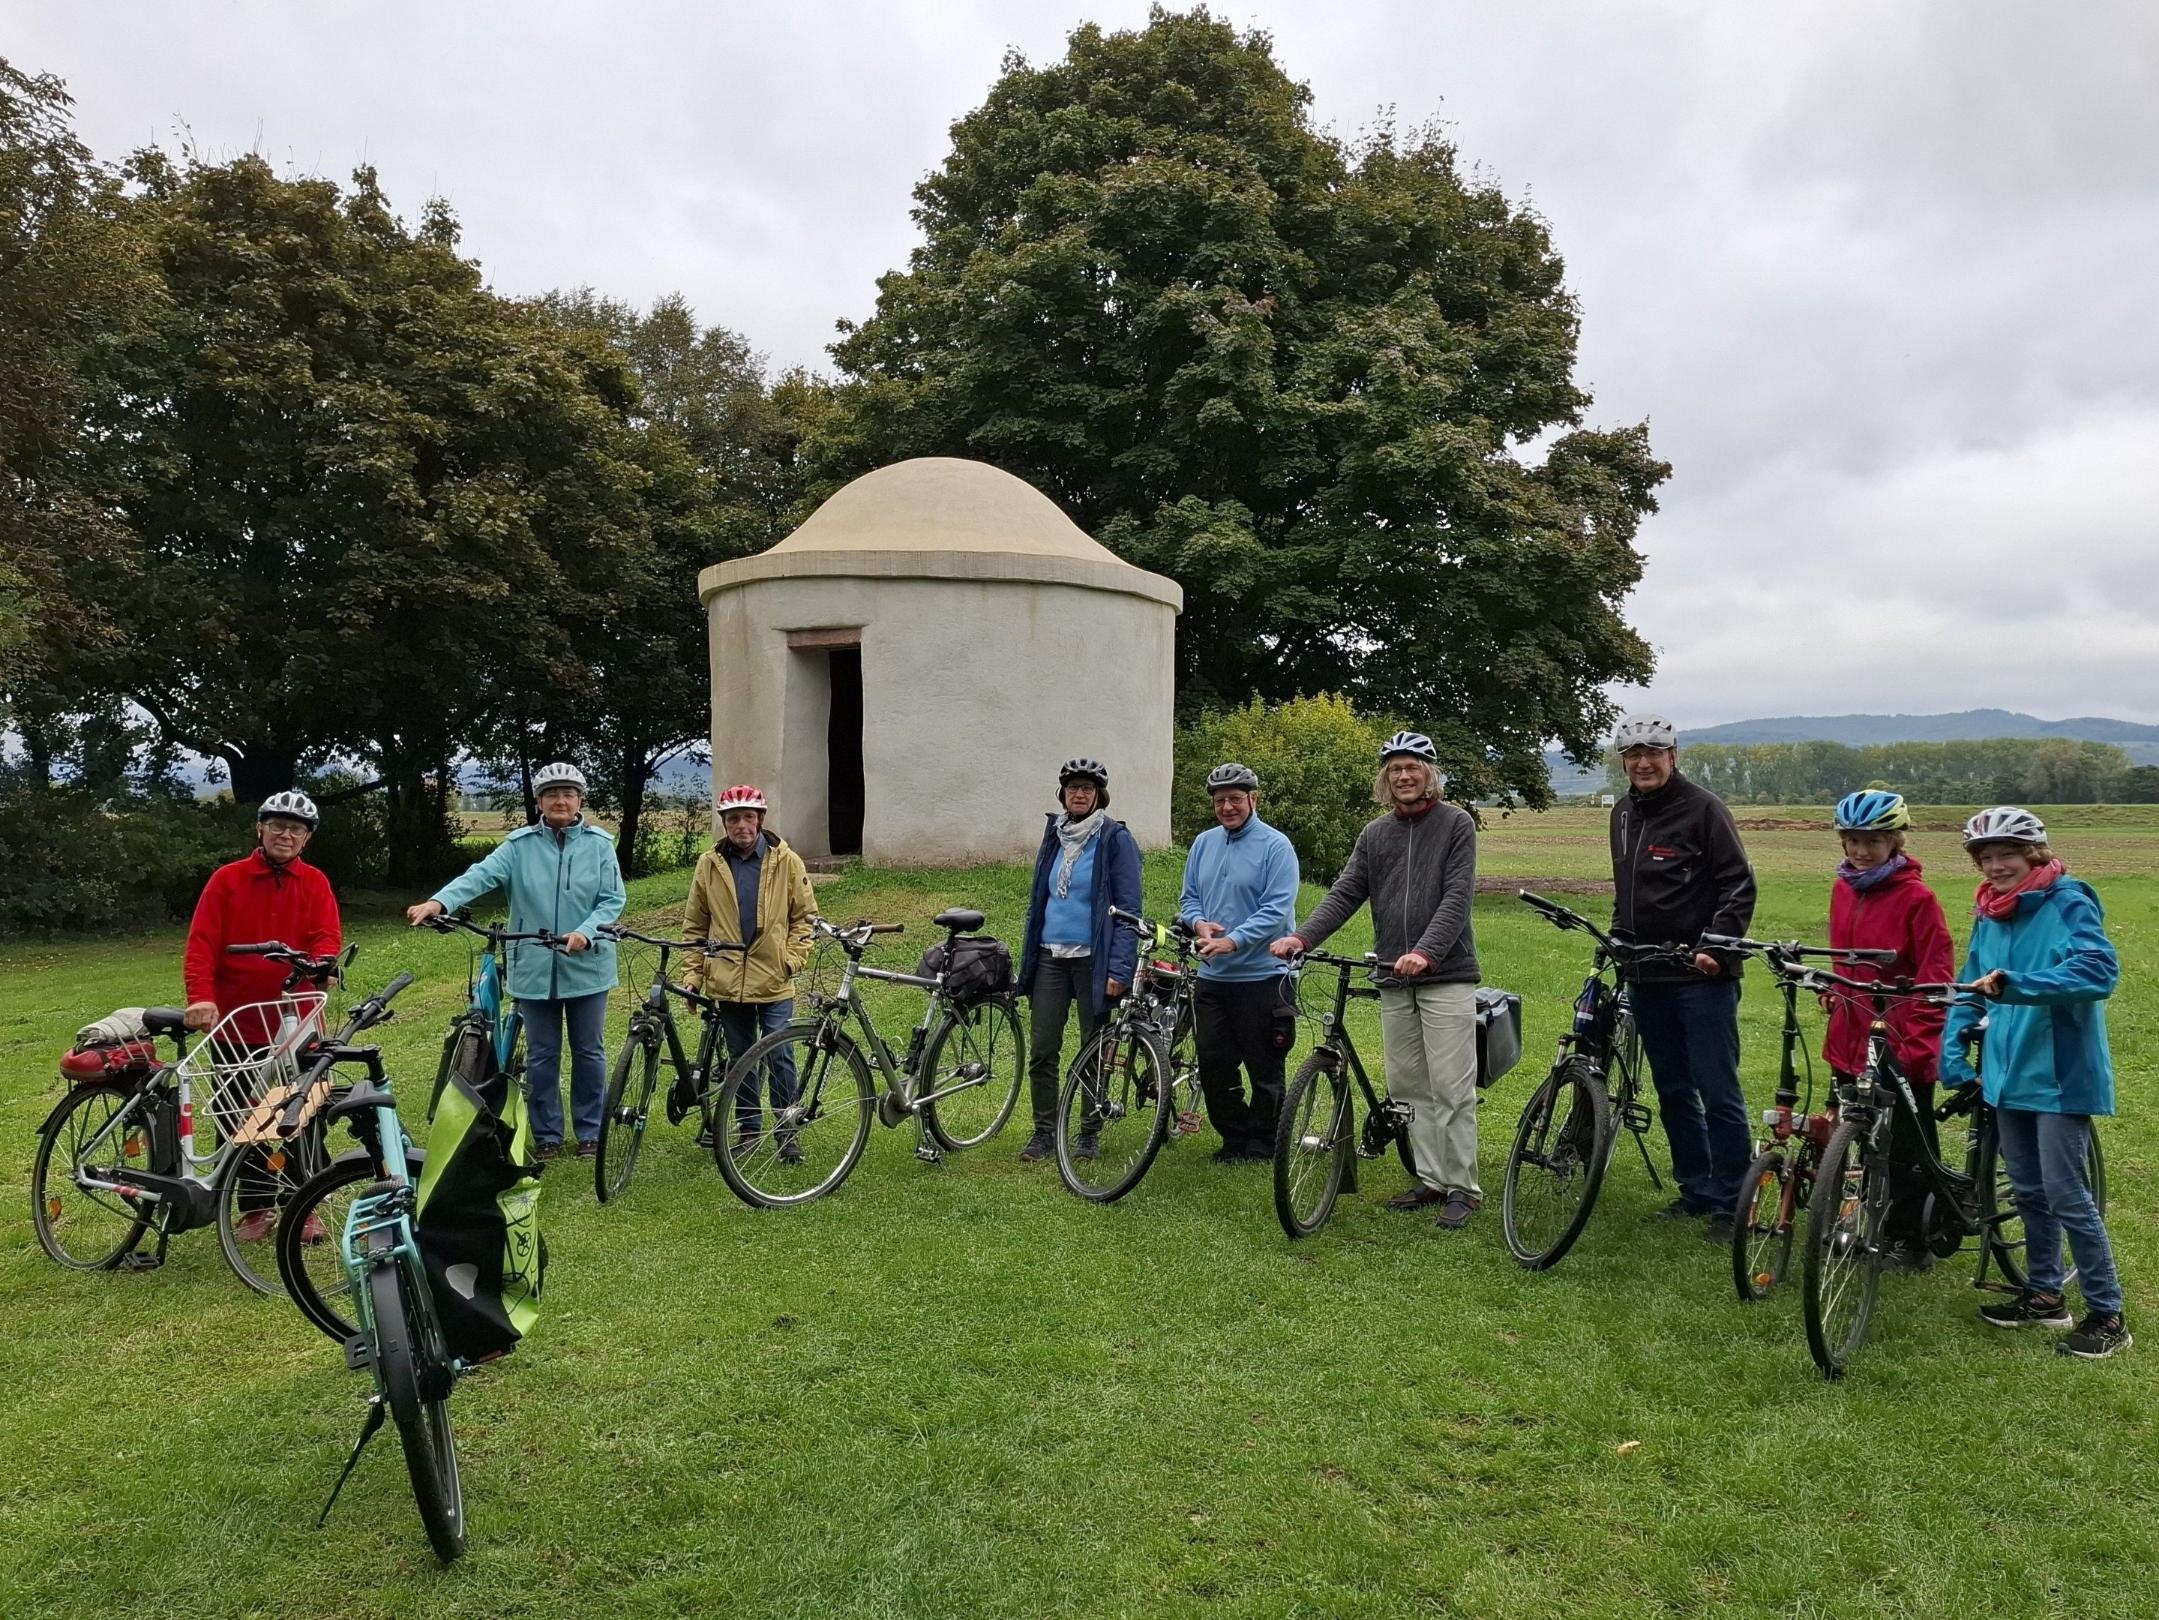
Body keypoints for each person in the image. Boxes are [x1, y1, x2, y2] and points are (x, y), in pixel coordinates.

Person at [1272, 732, 1482, 1227]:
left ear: (1429, 774)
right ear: (1385, 779)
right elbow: (1346, 893)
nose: (1403, 776)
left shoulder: (1456, 824)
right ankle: (1431, 1179)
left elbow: (1457, 896)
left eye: (1412, 767)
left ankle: (1463, 1188)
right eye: (1394, 769)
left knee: (1451, 1086)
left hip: (1446, 974)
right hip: (1392, 974)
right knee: (1408, 1086)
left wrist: (1427, 953)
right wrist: (1302, 938)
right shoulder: (1376, 834)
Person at [1942, 807, 2130, 1358]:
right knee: (2027, 1192)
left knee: (2067, 1193)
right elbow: (1971, 982)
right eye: (1985, 857)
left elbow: (2099, 971)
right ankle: (2046, 1296)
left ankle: (2108, 1313)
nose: (1996, 866)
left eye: (2006, 855)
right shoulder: (1989, 912)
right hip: (2006, 1074)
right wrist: (1953, 1045)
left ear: (2034, 854)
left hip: (2059, 1074)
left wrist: (2016, 984)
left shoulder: (2069, 898)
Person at [407, 762, 626, 1160]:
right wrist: (440, 901)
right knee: (542, 1055)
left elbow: (612, 900)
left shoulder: (599, 845)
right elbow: (480, 875)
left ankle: (591, 1133)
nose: (560, 801)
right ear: (540, 801)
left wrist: (586, 931)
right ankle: (548, 1136)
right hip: (534, 966)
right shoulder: (519, 845)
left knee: (589, 1051)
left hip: (587, 965)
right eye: (552, 794)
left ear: (580, 800)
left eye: (568, 794)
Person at [1608, 713, 1758, 1244]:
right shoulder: (1623, 813)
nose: (1643, 763)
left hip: (1701, 977)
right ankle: (1695, 1188)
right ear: (1623, 761)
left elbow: (1738, 883)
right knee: (1672, 1088)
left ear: (1674, 756)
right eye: (1633, 755)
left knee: (1717, 1089)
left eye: (1654, 752)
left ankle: (1732, 1199)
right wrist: (1616, 937)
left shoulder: (1704, 809)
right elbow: (1628, 888)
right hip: (1647, 975)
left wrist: (1716, 945)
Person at [183, 789, 343, 1242]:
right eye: (277, 826)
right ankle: (254, 1209)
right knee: (239, 1116)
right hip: (239, 1018)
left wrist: (324, 962)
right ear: (260, 828)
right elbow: (202, 944)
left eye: (296, 829)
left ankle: (303, 1205)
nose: (285, 835)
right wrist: (201, 997)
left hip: (296, 1019)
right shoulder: (227, 880)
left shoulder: (314, 882)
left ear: (307, 838)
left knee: (303, 1112)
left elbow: (326, 935)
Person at [1821, 790, 1956, 1270]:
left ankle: (1911, 1237)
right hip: (1850, 1033)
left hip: (1898, 1039)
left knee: (1904, 1146)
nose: (1860, 850)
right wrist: (1832, 992)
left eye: (1872, 841)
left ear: (1894, 841)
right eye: (1853, 840)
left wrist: (1917, 1041)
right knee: (1853, 1135)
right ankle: (1854, 1219)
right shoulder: (1844, 887)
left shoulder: (1917, 897)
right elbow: (1842, 955)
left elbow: (1935, 975)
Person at [1014, 758, 1144, 1162]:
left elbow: (1128, 911)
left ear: (1099, 795)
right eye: (1073, 787)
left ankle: (1089, 1131)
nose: (1080, 793)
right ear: (1063, 794)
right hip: (1051, 957)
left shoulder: (1114, 839)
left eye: (1087, 788)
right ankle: (1044, 1133)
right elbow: (1040, 901)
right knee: (1043, 1050)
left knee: (1093, 1050)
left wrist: (1120, 969)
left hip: (1094, 962)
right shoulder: (1053, 835)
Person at [680, 784, 818, 1158]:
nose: (742, 825)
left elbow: (804, 918)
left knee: (780, 1056)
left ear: (760, 820)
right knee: (741, 1059)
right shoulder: (709, 865)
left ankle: (787, 1133)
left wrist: (792, 959)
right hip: (727, 980)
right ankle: (749, 1130)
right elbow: (695, 926)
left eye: (748, 817)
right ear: (724, 823)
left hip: (773, 979)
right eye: (734, 818)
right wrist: (693, 974)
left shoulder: (786, 861)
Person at [1178, 762, 1300, 1161]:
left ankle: (1263, 1142)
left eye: (1234, 799)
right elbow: (1189, 899)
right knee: (1214, 1062)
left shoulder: (1276, 846)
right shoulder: (1203, 844)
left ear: (1253, 799)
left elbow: (1277, 911)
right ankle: (1232, 1137)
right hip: (1214, 978)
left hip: (1265, 975)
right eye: (1219, 801)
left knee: (1264, 1065)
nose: (1227, 807)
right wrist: (1197, 923)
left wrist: (1233, 940)